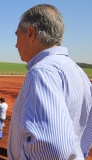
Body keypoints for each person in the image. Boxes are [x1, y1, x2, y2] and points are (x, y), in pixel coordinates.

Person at [7, 4, 92, 159]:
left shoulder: (42, 72)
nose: (16, 44)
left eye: (17, 35)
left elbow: (53, 150)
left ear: (31, 34)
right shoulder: (79, 73)